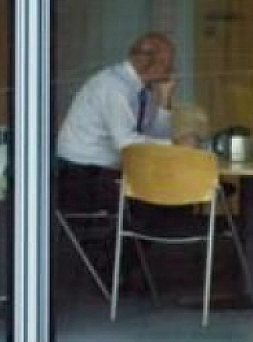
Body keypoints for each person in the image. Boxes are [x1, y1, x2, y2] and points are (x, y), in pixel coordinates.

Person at [55, 31, 180, 217]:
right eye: (168, 62)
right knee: (157, 198)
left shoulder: (140, 88)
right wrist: (175, 145)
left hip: (109, 169)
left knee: (167, 189)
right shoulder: (115, 87)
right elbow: (127, 143)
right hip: (85, 174)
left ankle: (144, 240)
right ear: (151, 63)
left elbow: (152, 137)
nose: (172, 68)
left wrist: (164, 98)